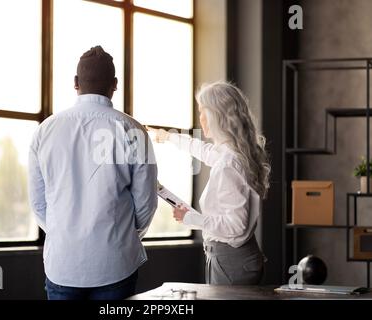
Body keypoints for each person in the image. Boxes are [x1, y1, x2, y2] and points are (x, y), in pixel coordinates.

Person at [28, 46, 158, 300]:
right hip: (115, 264)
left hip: (62, 265)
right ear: (115, 84)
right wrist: (124, 236)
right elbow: (146, 205)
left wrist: (64, 232)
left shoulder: (45, 131)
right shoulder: (132, 130)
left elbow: (38, 204)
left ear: (75, 83)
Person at [148, 81, 270, 285]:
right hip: (235, 259)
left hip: (230, 261)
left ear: (216, 116)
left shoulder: (228, 164)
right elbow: (204, 151)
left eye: (202, 111)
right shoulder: (233, 155)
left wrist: (192, 218)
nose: (200, 117)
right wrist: (169, 137)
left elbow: (236, 226)